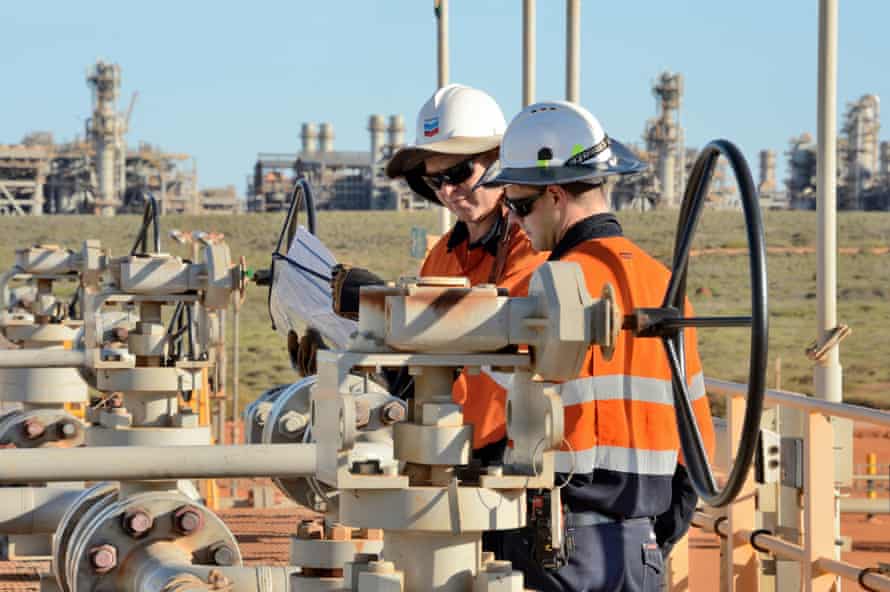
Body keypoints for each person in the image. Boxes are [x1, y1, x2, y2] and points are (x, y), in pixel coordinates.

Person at [480, 100, 716, 592]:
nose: (517, 221)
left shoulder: (542, 289)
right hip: (641, 551)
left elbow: (480, 425)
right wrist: (651, 539)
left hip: (557, 550)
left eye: (520, 205)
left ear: (557, 194)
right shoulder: (667, 287)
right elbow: (694, 451)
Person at [332, 83, 547, 465]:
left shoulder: (530, 245)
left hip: (515, 447)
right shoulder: (442, 255)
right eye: (435, 181)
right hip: (448, 443)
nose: (448, 192)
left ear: (499, 161)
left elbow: (497, 322)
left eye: (459, 173)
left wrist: (391, 307)